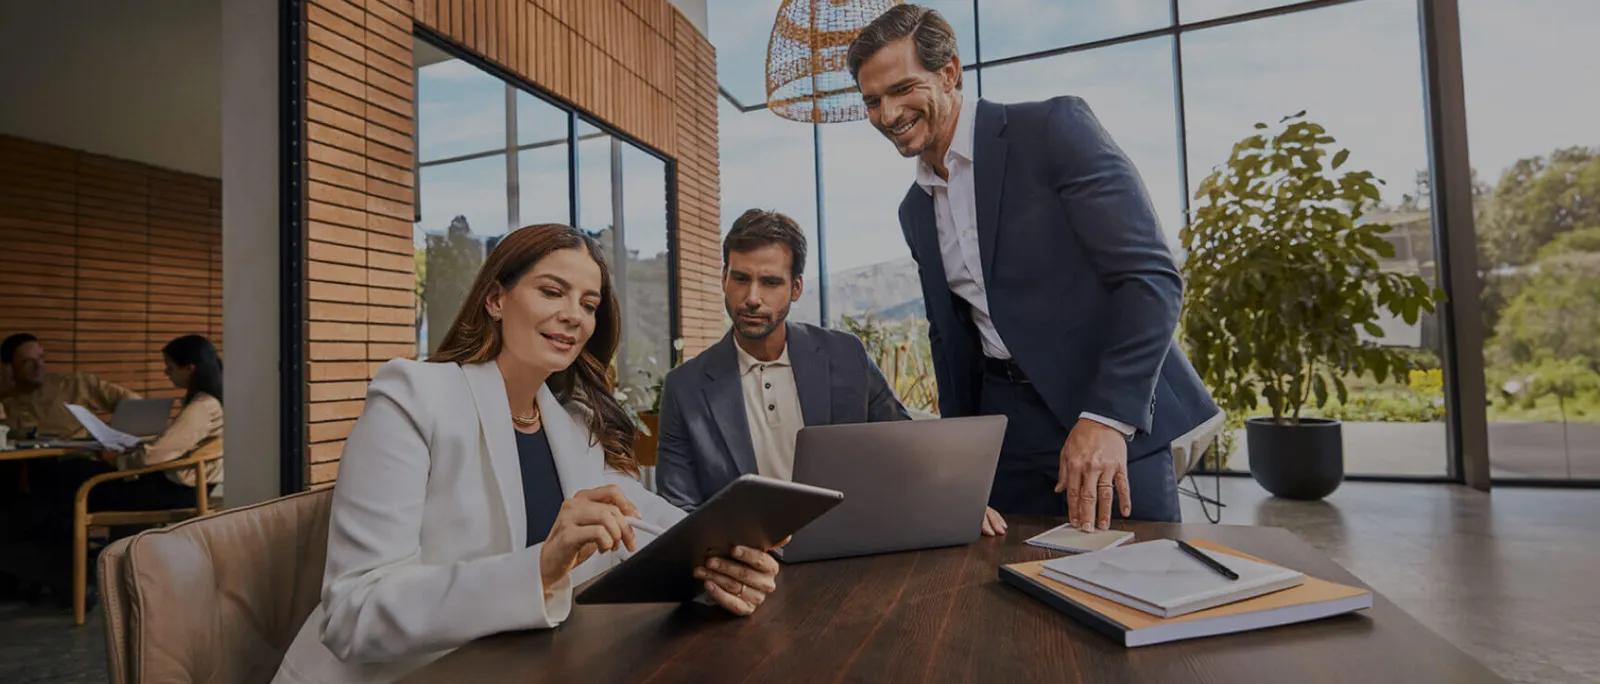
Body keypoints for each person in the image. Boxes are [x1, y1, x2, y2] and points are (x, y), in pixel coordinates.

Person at [273, 224, 784, 684]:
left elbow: (653, 527)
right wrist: (539, 567)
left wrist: (728, 555)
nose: (574, 315)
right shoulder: (412, 398)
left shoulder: (575, 425)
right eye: (552, 292)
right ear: (496, 299)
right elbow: (354, 614)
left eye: (589, 304)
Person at [846, 5, 1218, 527]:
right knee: (1009, 573)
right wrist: (960, 456)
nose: (888, 114)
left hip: (1105, 412)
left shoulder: (1051, 130)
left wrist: (1107, 417)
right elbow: (948, 337)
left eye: (903, 88)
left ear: (949, 72)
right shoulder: (914, 211)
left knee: (1134, 571)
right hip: (1006, 431)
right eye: (872, 100)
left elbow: (1150, 279)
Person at [653, 208, 1008, 536]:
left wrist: (957, 499)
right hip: (747, 565)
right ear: (723, 279)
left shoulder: (845, 356)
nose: (752, 297)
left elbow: (905, 448)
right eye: (741, 278)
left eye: (771, 282)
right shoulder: (685, 389)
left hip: (846, 550)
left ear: (796, 288)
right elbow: (678, 511)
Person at [4, 335, 225, 606]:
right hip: (181, 487)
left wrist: (120, 460)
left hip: (173, 491)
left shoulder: (201, 407)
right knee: (62, 487)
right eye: (28, 362)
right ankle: (66, 579)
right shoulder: (211, 403)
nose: (165, 373)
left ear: (190, 369)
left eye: (169, 367)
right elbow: (168, 447)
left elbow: (157, 453)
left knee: (64, 486)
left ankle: (65, 579)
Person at [1, 333, 142, 439]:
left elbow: (133, 403)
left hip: (77, 459)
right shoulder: (6, 400)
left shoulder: (76, 383)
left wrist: (109, 433)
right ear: (10, 367)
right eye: (28, 362)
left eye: (41, 358)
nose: (39, 367)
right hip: (25, 463)